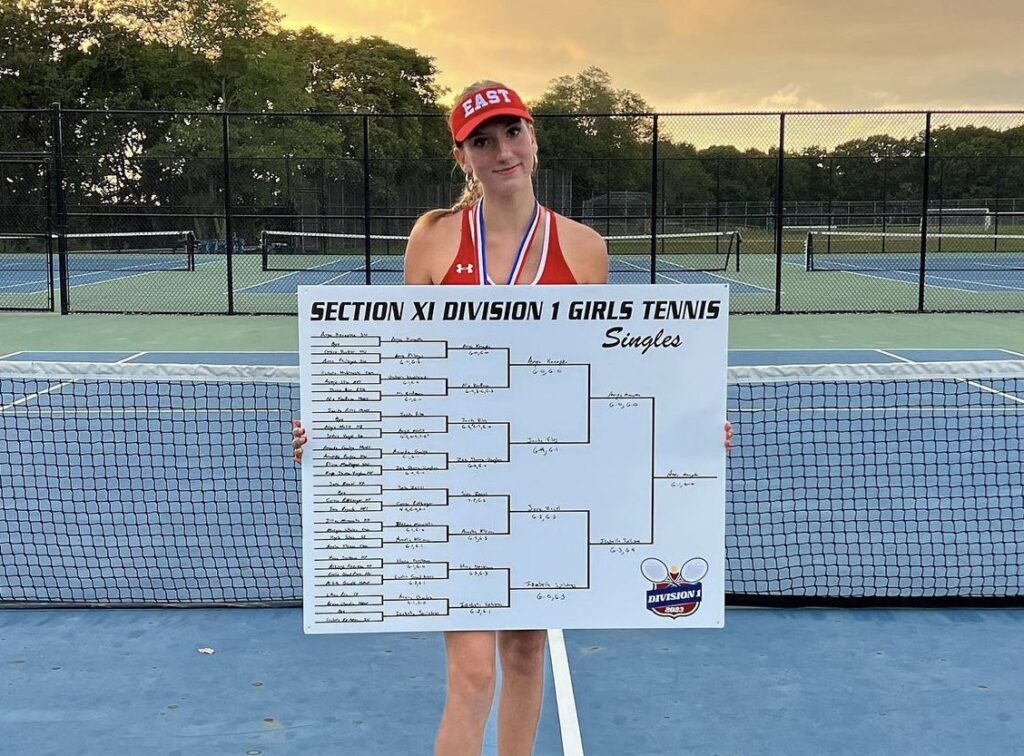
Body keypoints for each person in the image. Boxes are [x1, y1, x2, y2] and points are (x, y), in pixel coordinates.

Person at [292, 81, 733, 756]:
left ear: (533, 137)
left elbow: (609, 377)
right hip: (456, 484)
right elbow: (404, 366)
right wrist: (340, 431)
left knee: (526, 654)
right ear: (462, 156)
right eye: (483, 141)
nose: (503, 151)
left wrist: (684, 432)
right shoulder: (434, 240)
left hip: (547, 483)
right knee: (473, 674)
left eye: (512, 132)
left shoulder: (583, 248)